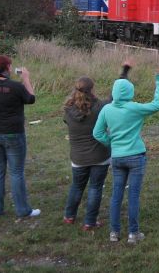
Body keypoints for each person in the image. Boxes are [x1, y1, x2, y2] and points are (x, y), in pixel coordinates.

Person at [93, 68, 159, 244]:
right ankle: (133, 234)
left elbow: (97, 133)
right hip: (136, 157)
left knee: (116, 195)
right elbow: (158, 104)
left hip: (117, 158)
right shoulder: (135, 108)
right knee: (133, 195)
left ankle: (114, 233)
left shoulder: (106, 110)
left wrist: (111, 142)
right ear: (130, 91)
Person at [62, 61, 131, 230]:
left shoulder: (68, 109)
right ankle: (89, 222)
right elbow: (114, 97)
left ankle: (69, 216)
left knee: (77, 186)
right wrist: (124, 72)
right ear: (92, 90)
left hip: (78, 157)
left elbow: (68, 122)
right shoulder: (100, 107)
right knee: (95, 187)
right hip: (99, 155)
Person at [0, 30, 40, 218]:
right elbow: (31, 99)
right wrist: (26, 78)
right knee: (16, 172)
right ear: (7, 69)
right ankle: (23, 210)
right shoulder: (15, 87)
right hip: (13, 135)